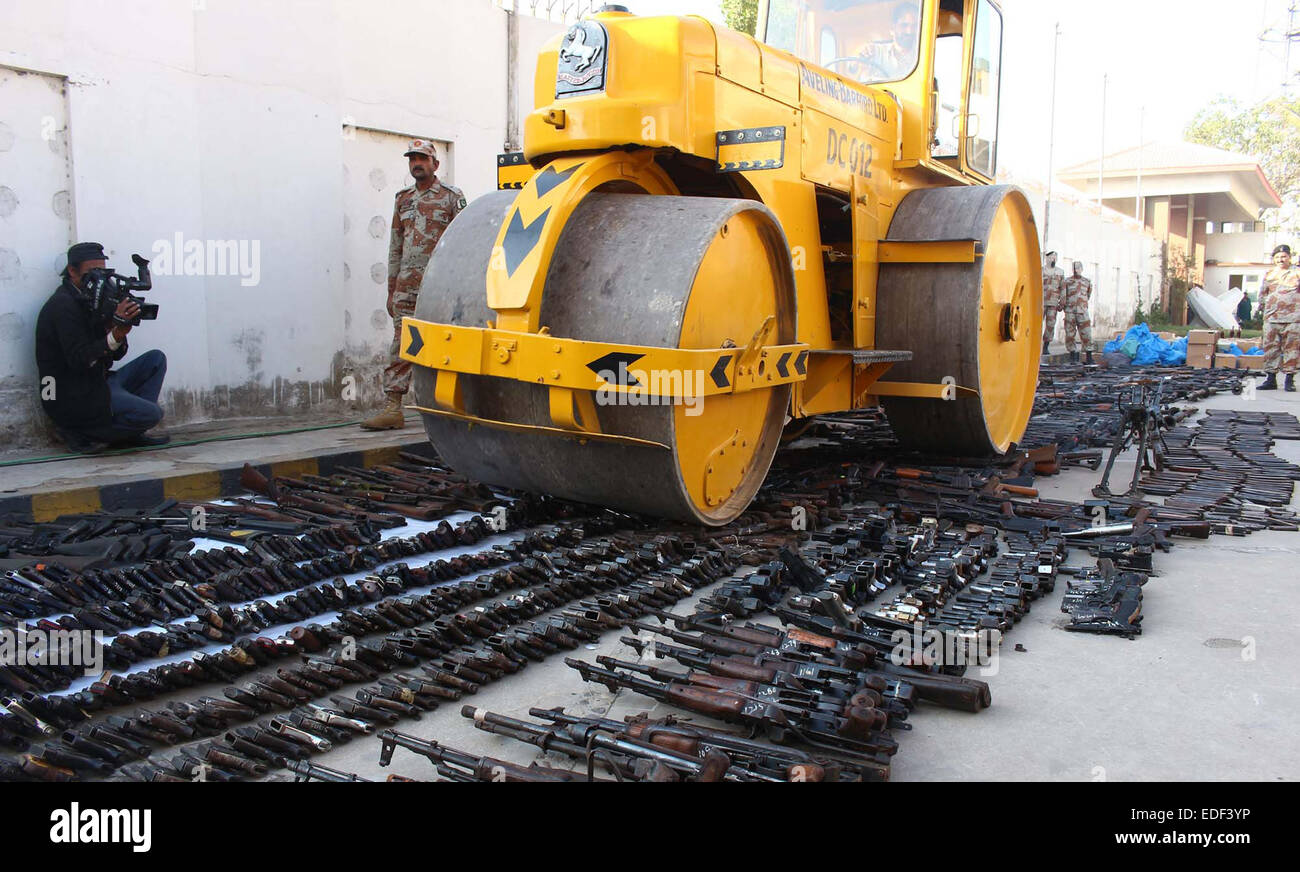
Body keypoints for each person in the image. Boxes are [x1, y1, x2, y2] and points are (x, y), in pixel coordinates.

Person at [361, 139, 467, 430]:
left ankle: (451, 407)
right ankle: (393, 408)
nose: (416, 163)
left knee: (446, 343)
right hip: (407, 287)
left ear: (435, 163)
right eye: (412, 159)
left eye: (422, 158)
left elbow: (463, 243)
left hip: (440, 287)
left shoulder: (451, 197)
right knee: (402, 345)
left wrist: (459, 286)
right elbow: (395, 246)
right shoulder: (403, 199)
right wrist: (391, 289)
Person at [35, 242, 169, 454]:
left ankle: (131, 432)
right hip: (73, 394)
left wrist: (115, 327)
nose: (99, 280)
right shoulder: (62, 306)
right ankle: (81, 433)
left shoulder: (92, 299)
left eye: (102, 273)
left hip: (99, 381)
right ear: (72, 271)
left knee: (155, 360)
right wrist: (114, 335)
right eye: (92, 273)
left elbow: (114, 355)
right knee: (152, 414)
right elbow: (79, 360)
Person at [1258, 243, 1299, 392]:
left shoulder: (1297, 273)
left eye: (1284, 256)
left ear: (1289, 257)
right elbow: (1263, 294)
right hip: (1271, 318)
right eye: (1277, 257)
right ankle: (1270, 379)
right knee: (1270, 348)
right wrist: (1262, 309)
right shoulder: (1269, 274)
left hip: (1293, 318)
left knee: (1292, 349)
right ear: (1274, 259)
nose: (1281, 260)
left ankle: (1289, 380)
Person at [854, 2, 920, 82]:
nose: (909, 31)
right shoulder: (874, 52)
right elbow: (853, 68)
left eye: (915, 26)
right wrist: (860, 57)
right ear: (892, 28)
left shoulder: (923, 56)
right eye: (904, 25)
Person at [1061, 260, 1093, 364]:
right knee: (1070, 334)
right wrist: (1063, 305)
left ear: (1082, 269)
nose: (1076, 270)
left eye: (1078, 268)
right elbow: (1063, 296)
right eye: (1075, 268)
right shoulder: (1067, 281)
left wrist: (1082, 304)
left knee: (1087, 334)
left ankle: (1089, 356)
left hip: (1082, 312)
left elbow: (1088, 295)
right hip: (1070, 311)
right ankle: (1072, 356)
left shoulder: (1087, 282)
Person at [1041, 251, 1064, 353]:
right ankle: (1034, 344)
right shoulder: (1041, 270)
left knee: (1050, 325)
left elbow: (1063, 288)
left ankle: (1046, 346)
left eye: (1055, 258)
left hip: (1053, 303)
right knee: (1037, 324)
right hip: (1040, 302)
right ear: (1047, 258)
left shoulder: (1060, 272)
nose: (1053, 259)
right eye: (1051, 257)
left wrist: (1062, 302)